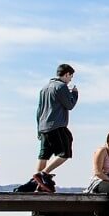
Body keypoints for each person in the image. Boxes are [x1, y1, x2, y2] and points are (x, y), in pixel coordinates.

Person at [33, 63, 79, 193]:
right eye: (71, 77)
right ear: (66, 74)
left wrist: (38, 129)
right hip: (57, 125)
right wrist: (74, 94)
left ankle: (37, 184)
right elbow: (70, 105)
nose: (70, 79)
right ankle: (43, 174)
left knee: (44, 155)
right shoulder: (61, 86)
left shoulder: (44, 88)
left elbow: (39, 110)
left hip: (43, 126)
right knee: (65, 153)